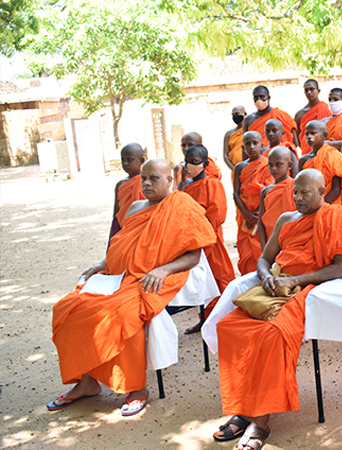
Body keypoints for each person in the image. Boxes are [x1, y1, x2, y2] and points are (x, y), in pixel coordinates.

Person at [211, 169, 342, 448]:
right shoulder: (286, 219)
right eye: (295, 192)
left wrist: (294, 281)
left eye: (305, 192)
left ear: (322, 192)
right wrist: (266, 277)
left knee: (271, 335)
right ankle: (244, 408)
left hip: (307, 288)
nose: (298, 198)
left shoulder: (339, 217)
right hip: (275, 286)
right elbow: (264, 259)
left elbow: (339, 268)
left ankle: (260, 421)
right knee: (229, 327)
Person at [48, 159, 216, 416]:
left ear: (170, 180)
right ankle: (87, 382)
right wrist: (102, 264)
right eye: (144, 178)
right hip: (117, 277)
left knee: (124, 315)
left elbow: (194, 256)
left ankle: (136, 388)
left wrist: (163, 269)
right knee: (70, 308)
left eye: (154, 178)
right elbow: (124, 244)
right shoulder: (136, 207)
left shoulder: (182, 205)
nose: (146, 183)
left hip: (155, 278)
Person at [179, 145, 236, 332]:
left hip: (210, 240)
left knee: (219, 277)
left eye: (195, 162)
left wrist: (201, 231)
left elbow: (218, 213)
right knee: (199, 281)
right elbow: (178, 207)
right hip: (191, 241)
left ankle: (224, 318)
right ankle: (204, 319)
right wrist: (182, 182)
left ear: (204, 164)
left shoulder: (212, 184)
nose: (191, 165)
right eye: (188, 162)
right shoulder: (187, 185)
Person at [234, 131, 274, 275]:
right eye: (248, 144)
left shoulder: (267, 165)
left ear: (262, 145)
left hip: (261, 216)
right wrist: (246, 214)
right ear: (243, 148)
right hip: (245, 217)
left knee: (261, 249)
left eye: (255, 143)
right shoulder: (240, 167)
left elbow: (270, 191)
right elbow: (236, 193)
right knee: (246, 254)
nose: (251, 147)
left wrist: (258, 213)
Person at [299, 120, 342, 205]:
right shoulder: (303, 160)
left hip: (330, 203)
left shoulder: (334, 156)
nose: (309, 137)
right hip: (307, 204)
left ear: (324, 135)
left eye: (313, 133)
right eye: (307, 134)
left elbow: (336, 189)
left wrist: (320, 206)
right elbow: (300, 186)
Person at [258, 146, 296, 250]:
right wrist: (264, 247)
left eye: (278, 164)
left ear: (289, 165)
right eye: (270, 165)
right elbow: (261, 222)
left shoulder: (296, 188)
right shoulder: (266, 191)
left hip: (291, 240)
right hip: (271, 240)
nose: (274, 168)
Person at [110, 143, 145, 239]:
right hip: (124, 228)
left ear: (141, 161)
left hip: (143, 229)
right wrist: (114, 232)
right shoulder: (120, 185)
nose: (125, 163)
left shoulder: (147, 182)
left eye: (129, 160)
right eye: (123, 160)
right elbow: (117, 212)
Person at [295, 79, 332, 155]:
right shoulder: (300, 114)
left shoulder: (327, 109)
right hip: (307, 151)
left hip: (325, 151)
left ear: (318, 91)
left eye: (312, 89)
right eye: (306, 90)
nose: (309, 92)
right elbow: (296, 136)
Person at [223, 105, 248, 184]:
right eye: (233, 115)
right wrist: (235, 169)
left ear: (245, 114)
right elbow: (225, 155)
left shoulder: (250, 130)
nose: (235, 117)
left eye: (237, 113)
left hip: (249, 169)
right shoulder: (229, 134)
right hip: (236, 170)